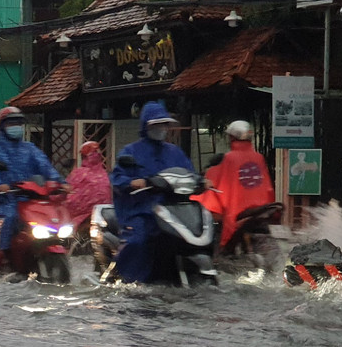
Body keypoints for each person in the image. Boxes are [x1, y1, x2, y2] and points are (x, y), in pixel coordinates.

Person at [110, 101, 197, 283]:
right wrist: (132, 182)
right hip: (141, 211)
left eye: (164, 124)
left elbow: (189, 173)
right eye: (156, 125)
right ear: (146, 125)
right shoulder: (131, 151)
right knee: (138, 241)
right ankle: (130, 281)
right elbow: (117, 178)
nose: (162, 128)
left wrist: (201, 179)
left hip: (172, 212)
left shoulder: (175, 152)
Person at [0, 107, 62, 265]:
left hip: (29, 198)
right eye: (11, 123)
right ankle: (5, 254)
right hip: (5, 199)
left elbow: (45, 167)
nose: (15, 127)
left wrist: (60, 182)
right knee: (11, 216)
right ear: (3, 127)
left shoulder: (30, 149)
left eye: (18, 123)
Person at [196, 120, 276, 250]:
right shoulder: (259, 157)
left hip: (238, 209)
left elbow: (219, 181)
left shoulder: (229, 158)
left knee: (210, 207)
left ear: (232, 137)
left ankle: (221, 251)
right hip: (261, 206)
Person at [65, 140, 111, 228]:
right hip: (99, 214)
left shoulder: (78, 173)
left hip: (92, 214)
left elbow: (68, 187)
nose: (95, 155)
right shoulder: (104, 174)